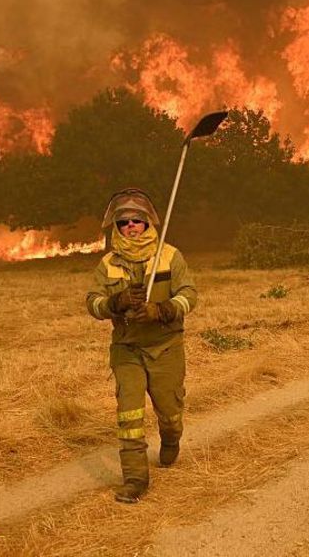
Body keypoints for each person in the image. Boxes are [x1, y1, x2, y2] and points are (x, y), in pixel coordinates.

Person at [85, 188, 198, 503]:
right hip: (127, 349)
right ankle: (135, 479)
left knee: (170, 412)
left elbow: (190, 295)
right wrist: (115, 302)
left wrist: (161, 310)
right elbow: (91, 303)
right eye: (123, 223)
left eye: (137, 220)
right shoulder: (107, 264)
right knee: (129, 416)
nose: (130, 226)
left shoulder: (170, 255)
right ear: (116, 228)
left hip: (166, 347)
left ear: (148, 222)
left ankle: (171, 439)